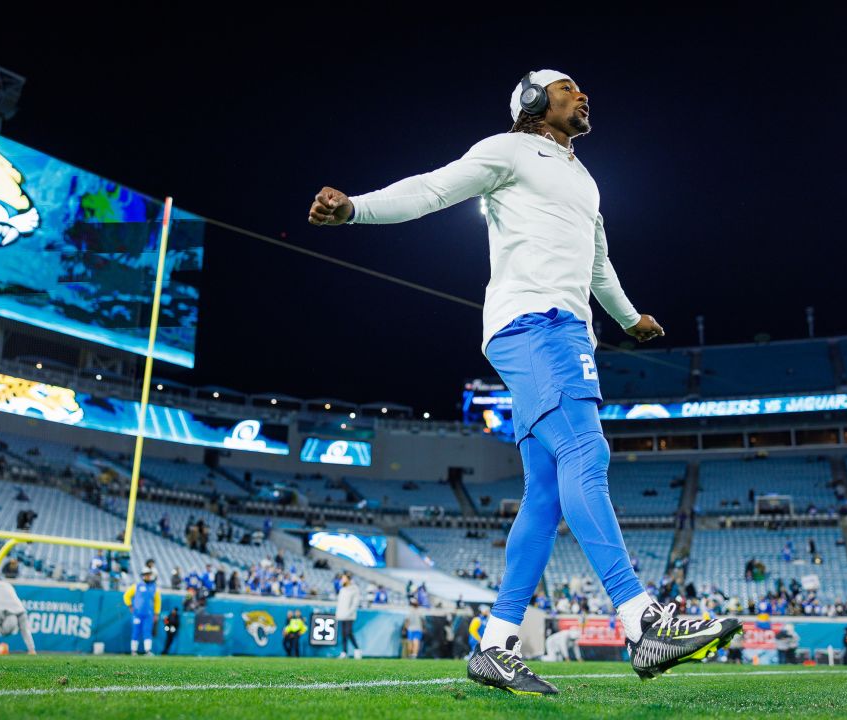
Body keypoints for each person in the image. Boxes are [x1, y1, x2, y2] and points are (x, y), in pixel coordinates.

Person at [309, 68, 739, 695]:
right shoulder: (509, 148)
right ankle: (641, 620)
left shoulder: (584, 179)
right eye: (568, 89)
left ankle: (496, 646)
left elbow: (597, 263)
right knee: (586, 452)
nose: (583, 95)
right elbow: (433, 190)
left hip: (565, 328)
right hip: (535, 324)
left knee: (544, 494)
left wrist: (629, 318)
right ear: (535, 102)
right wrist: (355, 210)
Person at [0, 572, 36, 655]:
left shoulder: (17, 609)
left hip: (9, 613)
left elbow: (25, 629)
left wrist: (32, 649)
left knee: (1, 625)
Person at [124, 566, 161, 656]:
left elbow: (157, 601)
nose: (147, 576)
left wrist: (156, 613)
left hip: (149, 615)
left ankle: (148, 651)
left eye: (148, 574)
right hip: (137, 614)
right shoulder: (136, 586)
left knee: (147, 631)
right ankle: (133, 651)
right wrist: (130, 606)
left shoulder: (154, 588)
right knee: (136, 631)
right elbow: (126, 596)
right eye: (145, 575)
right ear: (143, 576)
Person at [335, 572, 361, 659]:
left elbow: (355, 603)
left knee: (349, 632)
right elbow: (340, 603)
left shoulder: (355, 589)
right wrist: (338, 613)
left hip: (350, 615)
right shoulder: (342, 589)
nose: (342, 580)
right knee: (343, 634)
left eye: (344, 578)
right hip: (342, 615)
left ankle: (357, 649)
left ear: (348, 579)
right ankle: (344, 652)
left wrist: (349, 612)